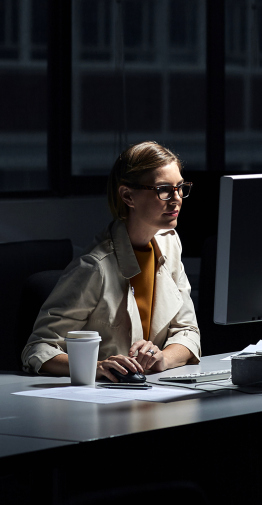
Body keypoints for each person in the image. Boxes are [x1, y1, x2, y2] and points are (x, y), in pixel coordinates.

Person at [21, 141, 201, 380]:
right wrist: (95, 367)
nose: (176, 198)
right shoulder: (94, 267)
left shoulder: (170, 242)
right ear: (128, 196)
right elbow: (37, 350)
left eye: (180, 187)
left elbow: (188, 330)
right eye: (163, 189)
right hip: (103, 402)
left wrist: (163, 358)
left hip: (154, 390)